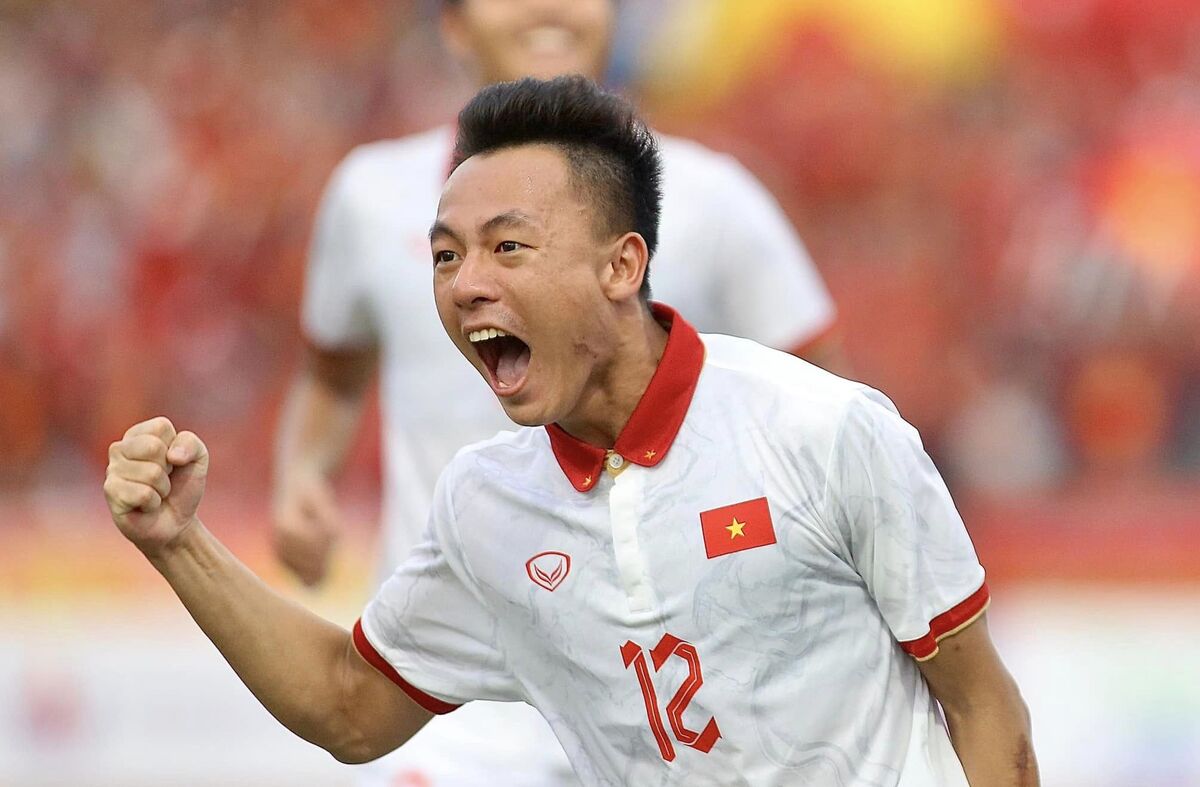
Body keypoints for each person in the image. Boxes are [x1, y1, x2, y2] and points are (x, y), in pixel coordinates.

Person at [106, 76, 1038, 786]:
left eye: (507, 247)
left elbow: (984, 709)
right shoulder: (487, 505)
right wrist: (178, 541)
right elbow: (348, 706)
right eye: (445, 255)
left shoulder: (823, 429)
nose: (467, 284)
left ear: (622, 266)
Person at [274, 1, 838, 781]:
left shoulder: (716, 200)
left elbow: (822, 412)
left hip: (674, 695)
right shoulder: (370, 197)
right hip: (454, 708)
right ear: (454, 27)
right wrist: (303, 473)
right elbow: (332, 376)